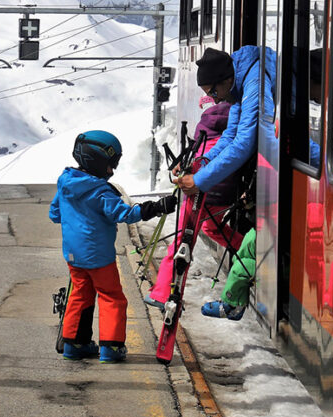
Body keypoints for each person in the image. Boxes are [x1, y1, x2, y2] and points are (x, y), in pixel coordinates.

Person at [49, 130, 177, 363]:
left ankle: (74, 344)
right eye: (110, 165)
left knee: (80, 294)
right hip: (99, 256)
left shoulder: (65, 182)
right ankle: (111, 347)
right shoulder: (100, 191)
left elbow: (54, 214)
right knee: (111, 296)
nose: (112, 171)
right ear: (96, 161)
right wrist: (157, 207)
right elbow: (126, 214)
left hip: (73, 255)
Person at [145, 100, 246, 309]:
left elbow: (198, 163)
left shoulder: (204, 136)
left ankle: (162, 293)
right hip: (225, 197)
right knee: (212, 227)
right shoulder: (235, 136)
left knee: (182, 241)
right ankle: (247, 250)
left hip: (199, 195)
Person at [173, 46, 277, 196]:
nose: (215, 101)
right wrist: (199, 162)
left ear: (227, 80)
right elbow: (230, 136)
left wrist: (199, 181)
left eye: (213, 93)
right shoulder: (237, 85)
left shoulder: (254, 84)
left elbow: (244, 143)